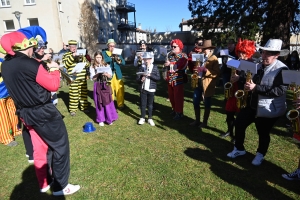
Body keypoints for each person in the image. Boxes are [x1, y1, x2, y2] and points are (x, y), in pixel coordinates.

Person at [1, 26, 80, 195]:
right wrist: (55, 71)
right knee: (60, 147)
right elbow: (53, 85)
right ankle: (61, 186)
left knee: (45, 147)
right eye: (32, 46)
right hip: (43, 112)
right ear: (24, 46)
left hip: (25, 113)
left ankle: (47, 181)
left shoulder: (6, 65)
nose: (34, 49)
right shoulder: (29, 63)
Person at [227, 39, 289, 166]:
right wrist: (240, 77)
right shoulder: (259, 64)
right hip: (252, 104)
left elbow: (280, 90)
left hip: (268, 107)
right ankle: (239, 149)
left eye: (268, 54)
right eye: (263, 52)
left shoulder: (283, 69)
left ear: (277, 55)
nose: (264, 56)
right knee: (239, 123)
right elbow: (250, 77)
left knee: (263, 132)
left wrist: (256, 88)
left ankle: (260, 154)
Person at [220, 39, 256, 141]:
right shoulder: (236, 61)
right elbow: (225, 71)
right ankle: (230, 131)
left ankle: (237, 136)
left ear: (248, 52)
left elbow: (253, 79)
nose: (241, 54)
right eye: (239, 51)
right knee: (228, 113)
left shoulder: (252, 63)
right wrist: (225, 63)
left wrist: (239, 78)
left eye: (243, 52)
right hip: (233, 90)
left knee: (240, 118)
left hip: (243, 93)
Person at [189, 40, 220, 127]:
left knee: (207, 104)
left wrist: (205, 70)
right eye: (203, 48)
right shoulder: (201, 56)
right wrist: (196, 69)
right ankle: (197, 120)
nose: (204, 50)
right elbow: (198, 68)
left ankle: (204, 122)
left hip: (207, 84)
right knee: (195, 102)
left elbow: (216, 73)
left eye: (205, 48)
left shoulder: (214, 58)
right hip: (198, 82)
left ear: (210, 49)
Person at [0, 46, 22, 147]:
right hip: (0, 93)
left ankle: (16, 130)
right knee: (2, 116)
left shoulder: (4, 60)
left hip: (8, 91)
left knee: (13, 111)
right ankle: (6, 138)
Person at [62, 40, 90, 116]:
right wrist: (72, 56)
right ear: (69, 47)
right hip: (73, 78)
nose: (74, 48)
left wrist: (82, 58)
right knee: (74, 94)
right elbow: (65, 64)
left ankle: (84, 107)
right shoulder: (66, 55)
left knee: (83, 94)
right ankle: (73, 110)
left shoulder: (81, 54)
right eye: (72, 47)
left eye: (75, 46)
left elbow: (88, 64)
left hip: (82, 78)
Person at [90, 51, 118, 126]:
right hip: (97, 84)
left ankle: (109, 118)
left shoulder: (106, 65)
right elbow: (92, 78)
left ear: (102, 57)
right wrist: (97, 74)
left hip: (105, 84)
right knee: (99, 102)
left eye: (100, 57)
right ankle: (101, 119)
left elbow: (110, 76)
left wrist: (106, 74)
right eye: (97, 57)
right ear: (95, 58)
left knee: (107, 101)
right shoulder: (92, 66)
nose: (98, 59)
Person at [164, 39, 188, 120]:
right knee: (171, 96)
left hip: (178, 79)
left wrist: (170, 63)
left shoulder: (183, 55)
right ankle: (174, 110)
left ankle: (179, 112)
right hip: (170, 79)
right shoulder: (171, 55)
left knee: (178, 97)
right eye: (172, 46)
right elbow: (168, 66)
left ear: (180, 47)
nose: (173, 48)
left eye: (175, 46)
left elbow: (181, 64)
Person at [136, 52, 160, 126]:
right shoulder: (141, 67)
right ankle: (142, 117)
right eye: (145, 59)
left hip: (151, 89)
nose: (146, 61)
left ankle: (150, 118)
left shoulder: (155, 67)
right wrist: (141, 79)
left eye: (148, 59)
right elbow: (137, 79)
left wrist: (150, 75)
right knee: (143, 104)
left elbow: (158, 78)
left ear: (151, 59)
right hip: (143, 88)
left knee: (150, 104)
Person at [102, 39, 126, 109]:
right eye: (110, 46)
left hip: (118, 74)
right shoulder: (104, 53)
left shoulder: (117, 52)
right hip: (109, 74)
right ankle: (111, 105)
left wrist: (119, 60)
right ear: (107, 46)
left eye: (113, 46)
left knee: (120, 90)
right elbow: (103, 61)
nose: (112, 47)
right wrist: (111, 57)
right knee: (110, 90)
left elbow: (124, 63)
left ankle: (120, 104)